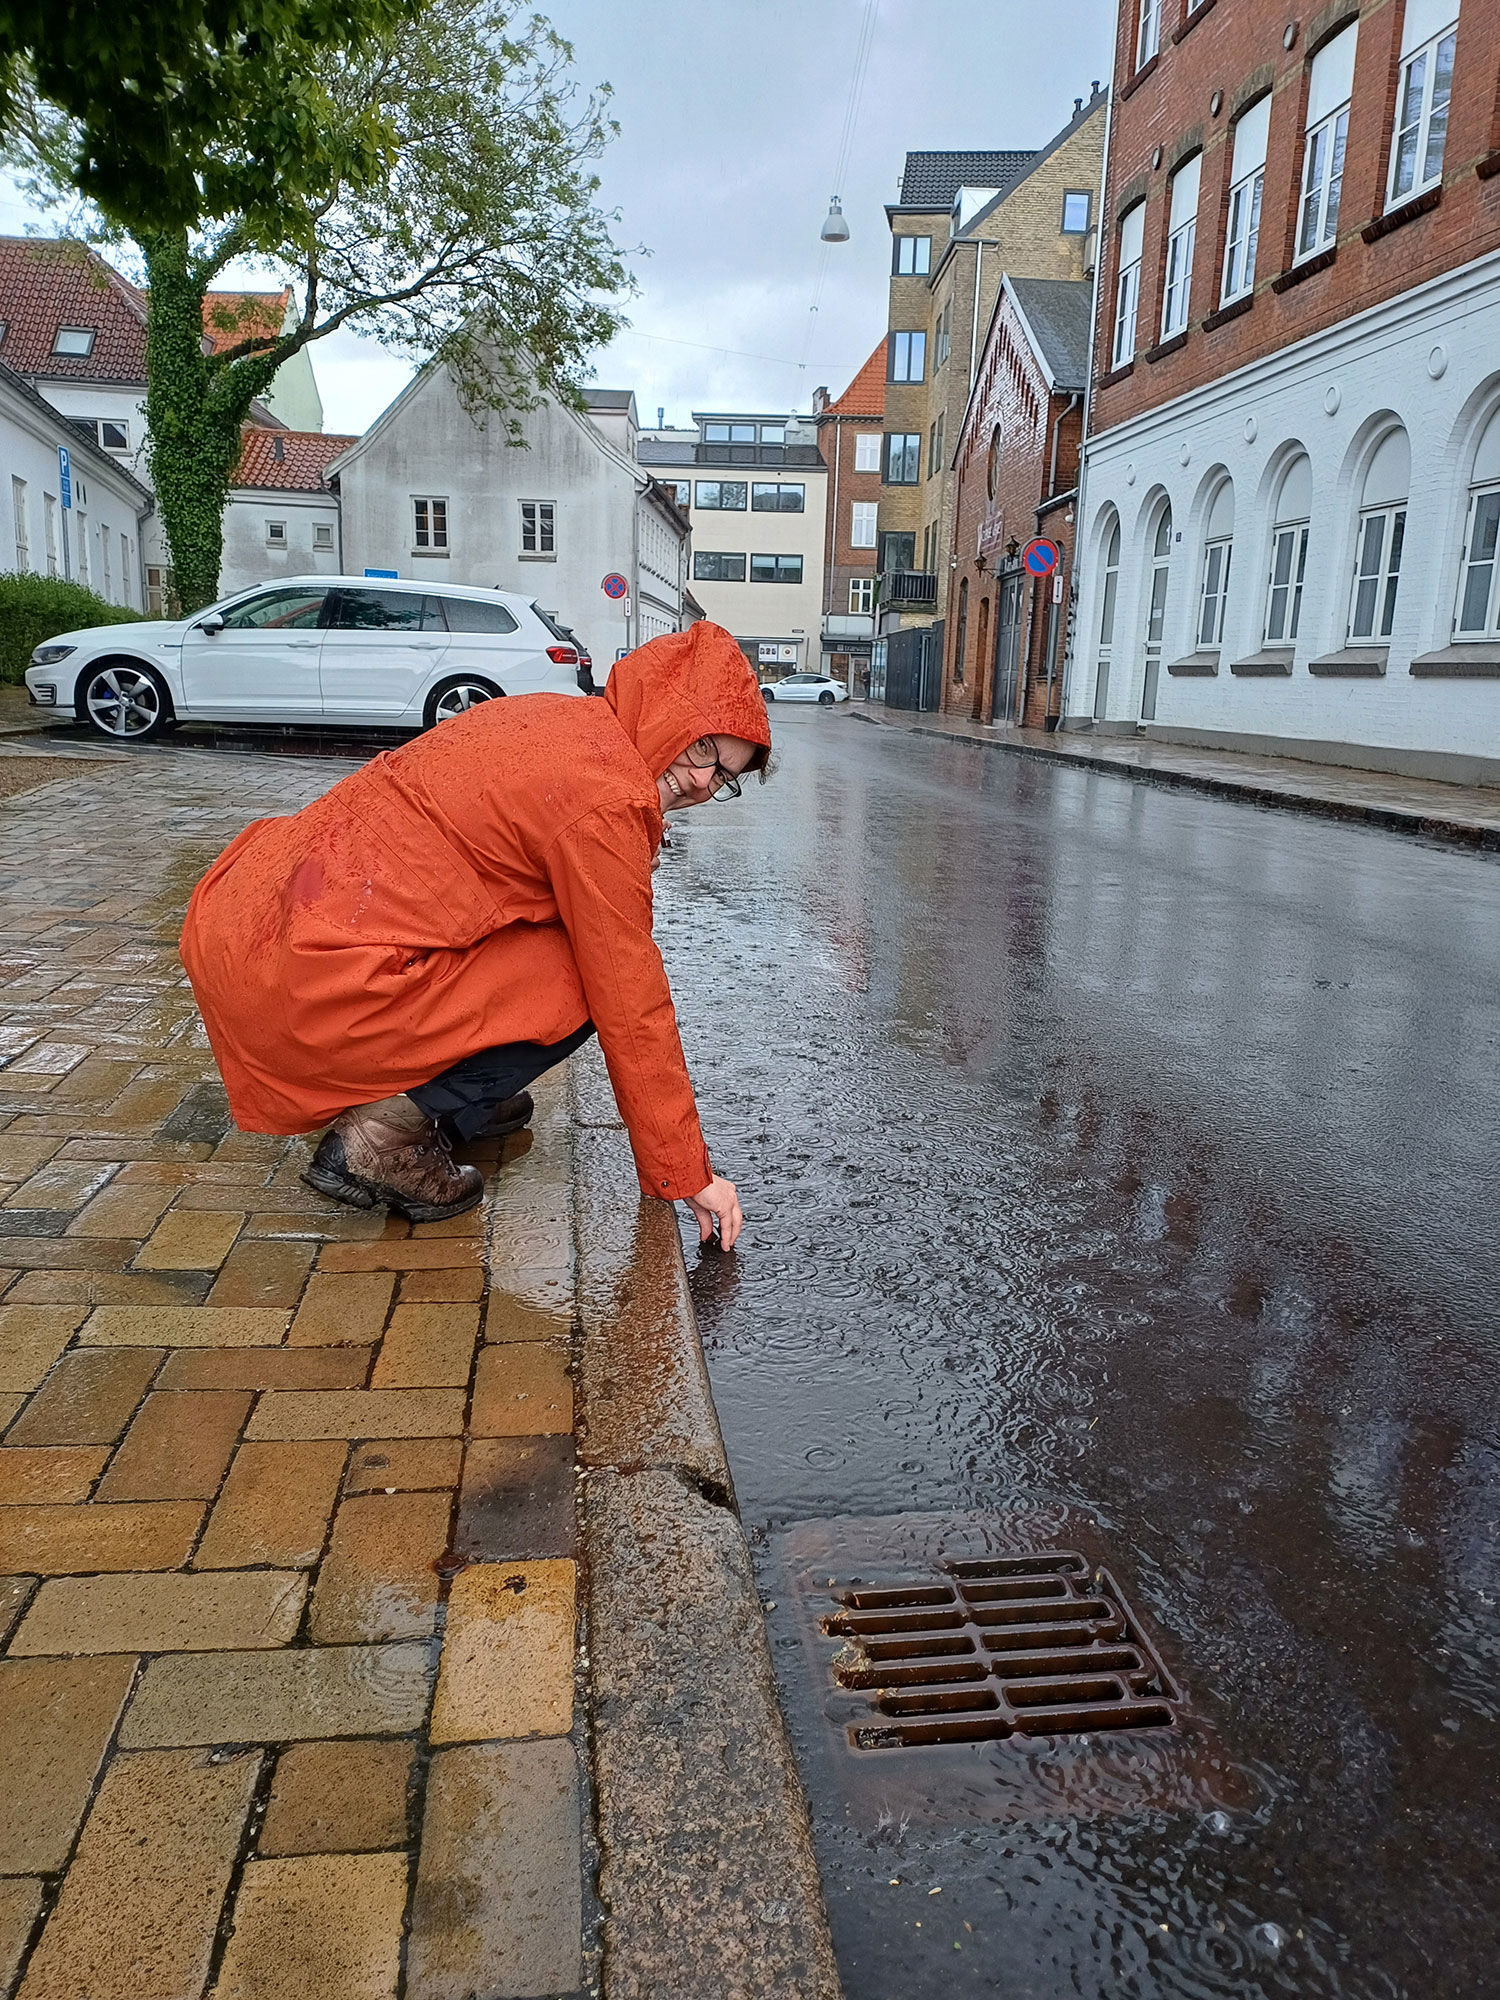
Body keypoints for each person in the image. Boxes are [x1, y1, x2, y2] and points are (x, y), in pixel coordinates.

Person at [178, 620, 770, 1247]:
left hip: (253, 925)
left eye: (724, 777)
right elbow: (631, 996)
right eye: (705, 748)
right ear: (671, 712)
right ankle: (388, 1134)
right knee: (584, 980)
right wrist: (685, 1170)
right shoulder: (609, 797)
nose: (704, 782)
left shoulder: (561, 720)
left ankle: (457, 1105)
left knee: (561, 939)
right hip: (305, 980)